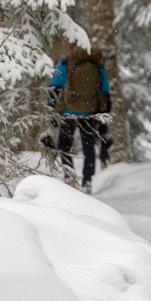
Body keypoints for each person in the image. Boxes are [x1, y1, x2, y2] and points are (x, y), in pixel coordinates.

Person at [48, 42, 112, 194]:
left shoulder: (65, 63)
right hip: (89, 113)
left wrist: (51, 109)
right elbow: (105, 90)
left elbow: (54, 86)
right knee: (88, 148)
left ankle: (69, 178)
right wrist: (103, 114)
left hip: (67, 112)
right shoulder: (97, 65)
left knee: (64, 146)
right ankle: (87, 181)